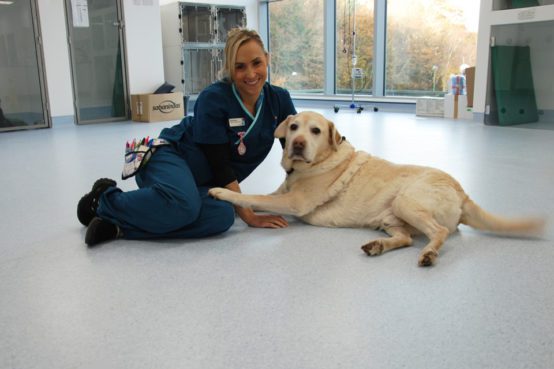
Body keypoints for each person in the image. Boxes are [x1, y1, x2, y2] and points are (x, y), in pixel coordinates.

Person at [77, 28, 296, 246]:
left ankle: (118, 228)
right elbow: (220, 166)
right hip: (167, 156)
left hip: (202, 184)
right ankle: (105, 199)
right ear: (229, 68)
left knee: (222, 216)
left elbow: (295, 153)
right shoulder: (214, 98)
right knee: (185, 204)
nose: (250, 74)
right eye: (240, 67)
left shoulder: (279, 100)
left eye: (257, 63)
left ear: (267, 59)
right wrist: (250, 216)